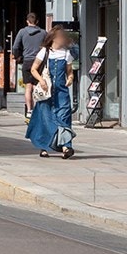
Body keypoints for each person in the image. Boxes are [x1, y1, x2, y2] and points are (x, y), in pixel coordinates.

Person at [25, 27, 77, 158]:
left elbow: (70, 72)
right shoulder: (45, 52)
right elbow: (33, 69)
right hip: (46, 91)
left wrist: (70, 79)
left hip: (61, 91)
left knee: (64, 117)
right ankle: (44, 147)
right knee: (45, 119)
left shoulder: (67, 53)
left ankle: (66, 147)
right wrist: (41, 81)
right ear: (54, 38)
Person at [10, 13, 48, 119]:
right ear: (37, 21)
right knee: (37, 86)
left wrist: (18, 57)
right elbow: (48, 45)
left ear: (27, 21)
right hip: (39, 62)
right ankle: (37, 109)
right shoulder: (43, 33)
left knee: (28, 87)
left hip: (27, 61)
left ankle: (29, 110)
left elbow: (15, 46)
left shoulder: (22, 32)